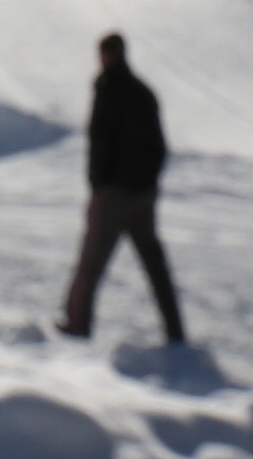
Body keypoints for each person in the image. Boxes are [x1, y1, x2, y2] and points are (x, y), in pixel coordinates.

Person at [60, 33, 188, 346]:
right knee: (155, 267)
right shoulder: (142, 92)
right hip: (142, 194)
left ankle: (78, 324)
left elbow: (101, 143)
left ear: (108, 55)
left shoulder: (108, 90)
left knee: (92, 262)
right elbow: (159, 146)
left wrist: (98, 185)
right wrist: (148, 183)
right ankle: (175, 332)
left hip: (114, 194)